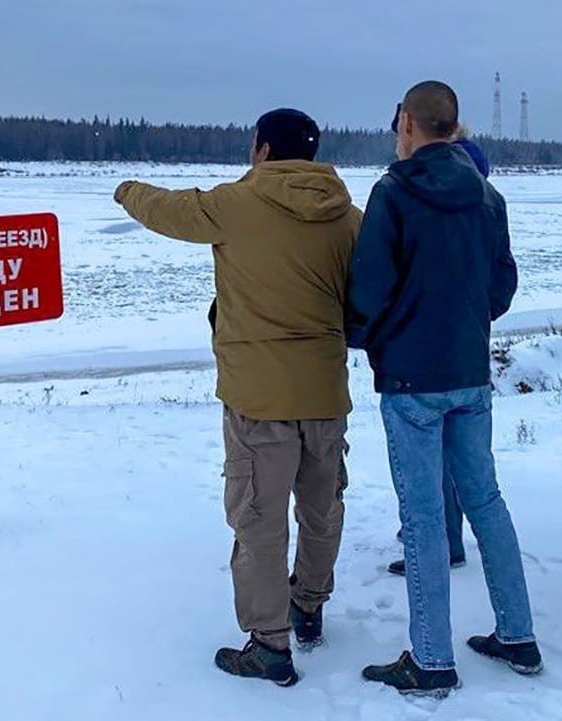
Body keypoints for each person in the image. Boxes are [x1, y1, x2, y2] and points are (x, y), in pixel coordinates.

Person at [114, 108, 362, 686]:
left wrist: (127, 189)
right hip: (325, 390)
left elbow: (167, 210)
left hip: (258, 396)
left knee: (258, 519)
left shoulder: (233, 205)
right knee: (323, 508)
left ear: (262, 150)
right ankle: (309, 606)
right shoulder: (349, 217)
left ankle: (269, 643)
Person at [347, 81, 541, 696]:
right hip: (467, 372)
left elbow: (369, 286)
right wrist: (460, 322)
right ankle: (518, 635)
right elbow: (501, 286)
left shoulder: (393, 193)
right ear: (454, 128)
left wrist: (367, 334)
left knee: (426, 515)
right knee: (485, 500)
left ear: (408, 124)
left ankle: (431, 660)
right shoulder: (486, 196)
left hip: (411, 379)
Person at [383, 119, 491, 578]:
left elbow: (383, 275)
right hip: (465, 346)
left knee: (432, 466)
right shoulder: (476, 179)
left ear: (410, 130)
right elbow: (499, 277)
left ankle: (437, 543)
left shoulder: (413, 185)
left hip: (423, 352)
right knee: (471, 474)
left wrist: (380, 331)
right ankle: (444, 539)